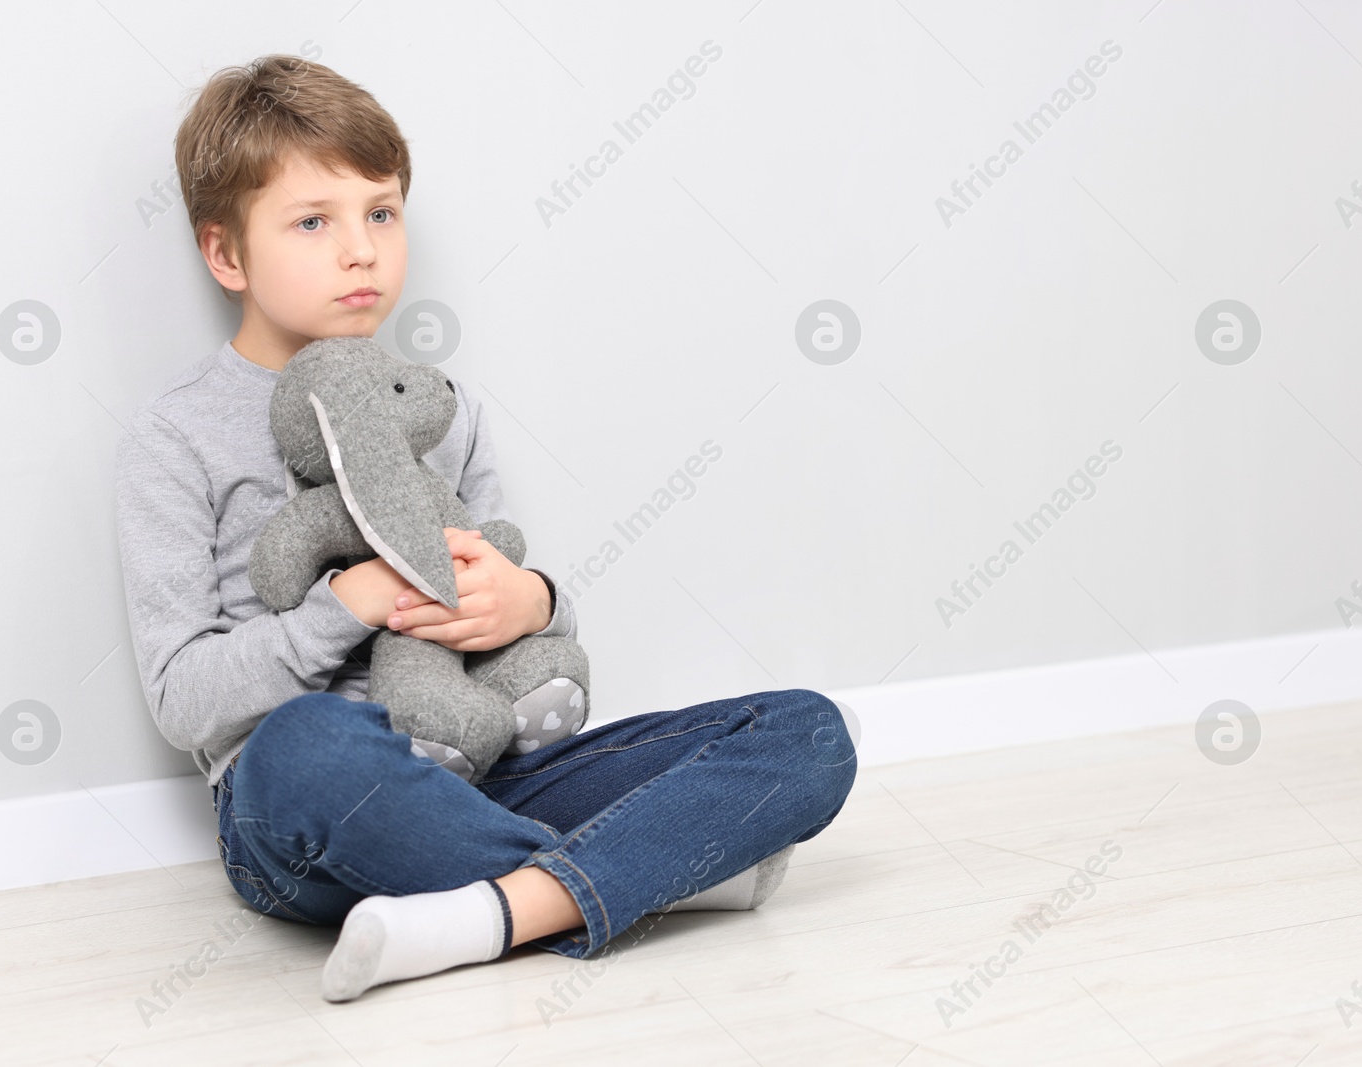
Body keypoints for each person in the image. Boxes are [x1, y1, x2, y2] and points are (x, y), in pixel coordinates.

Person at [114, 54, 857, 1004]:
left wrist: (532, 600)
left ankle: (487, 915)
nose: (362, 251)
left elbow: (513, 600)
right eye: (313, 222)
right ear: (226, 255)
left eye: (381, 212)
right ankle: (661, 871)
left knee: (808, 731)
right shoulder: (175, 437)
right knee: (309, 742)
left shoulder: (441, 407)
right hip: (311, 806)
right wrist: (348, 603)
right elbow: (183, 699)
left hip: (488, 769)